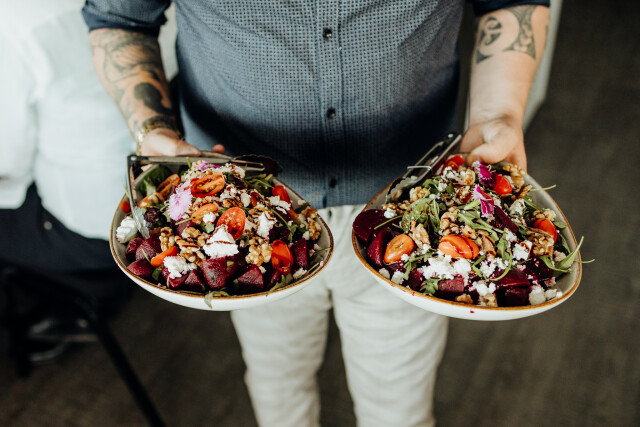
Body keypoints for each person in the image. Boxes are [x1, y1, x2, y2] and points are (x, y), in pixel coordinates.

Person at [82, 1, 550, 425]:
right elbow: (120, 17)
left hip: (411, 216)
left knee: (399, 409)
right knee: (279, 391)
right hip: (246, 226)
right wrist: (153, 131)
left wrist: (500, 115)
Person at [0, 0, 176, 361]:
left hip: (96, 231)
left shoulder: (12, 23)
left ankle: (79, 301)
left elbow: (8, 164)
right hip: (166, 197)